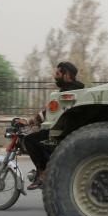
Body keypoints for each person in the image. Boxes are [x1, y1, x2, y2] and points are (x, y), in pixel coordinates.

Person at [21, 61, 84, 189]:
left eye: (57, 73)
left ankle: (43, 174)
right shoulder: (74, 89)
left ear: (66, 75)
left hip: (63, 135)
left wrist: (30, 122)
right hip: (66, 132)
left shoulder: (69, 91)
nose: (55, 76)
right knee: (40, 137)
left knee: (30, 140)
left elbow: (49, 112)